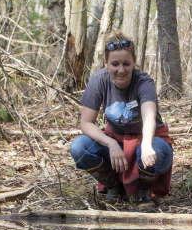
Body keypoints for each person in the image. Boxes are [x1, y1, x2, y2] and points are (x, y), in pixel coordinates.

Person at [69, 32, 174, 208]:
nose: (121, 70)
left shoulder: (144, 81)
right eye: (115, 64)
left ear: (134, 63)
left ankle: (143, 191)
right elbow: (86, 123)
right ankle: (114, 187)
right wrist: (111, 144)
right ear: (106, 63)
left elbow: (149, 115)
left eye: (126, 64)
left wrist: (147, 144)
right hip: (116, 140)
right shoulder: (99, 80)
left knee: (157, 150)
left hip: (146, 139)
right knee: (79, 147)